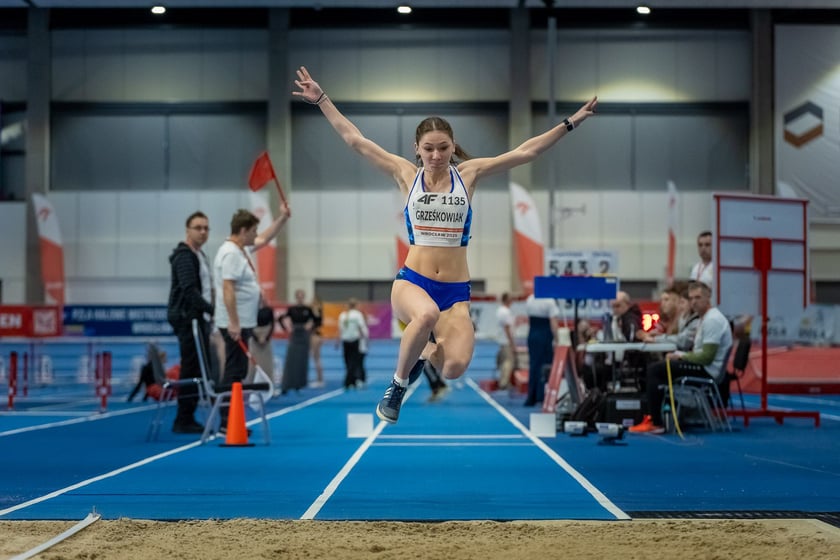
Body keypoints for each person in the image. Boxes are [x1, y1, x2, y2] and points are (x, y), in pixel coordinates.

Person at [293, 66, 597, 423]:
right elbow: (355, 140)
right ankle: (397, 386)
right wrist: (322, 100)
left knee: (453, 367)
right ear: (416, 149)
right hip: (413, 282)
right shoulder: (405, 174)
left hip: (455, 292)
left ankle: (426, 351)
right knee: (425, 315)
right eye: (428, 149)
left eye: (443, 148)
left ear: (453, 147)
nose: (436, 156)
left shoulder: (468, 174)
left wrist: (570, 123)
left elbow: (526, 152)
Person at [214, 204, 290, 430]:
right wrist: (234, 322)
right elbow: (228, 289)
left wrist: (282, 218)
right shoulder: (230, 254)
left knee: (238, 370)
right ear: (244, 230)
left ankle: (231, 420)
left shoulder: (241, 250)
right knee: (234, 370)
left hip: (244, 321)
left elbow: (264, 239)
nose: (256, 235)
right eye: (254, 230)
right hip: (235, 324)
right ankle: (227, 421)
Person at [631, 281, 733, 434]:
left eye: (698, 298)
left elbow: (706, 357)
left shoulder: (713, 320)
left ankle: (656, 422)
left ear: (708, 297)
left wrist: (680, 356)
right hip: (704, 367)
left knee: (656, 370)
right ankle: (663, 415)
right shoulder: (704, 318)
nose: (694, 302)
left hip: (707, 371)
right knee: (659, 367)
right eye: (691, 298)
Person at [166, 211, 215, 433]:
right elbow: (189, 291)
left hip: (198, 318)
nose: (203, 232)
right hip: (189, 319)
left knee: (196, 367)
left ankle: (187, 416)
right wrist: (212, 310)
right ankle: (183, 418)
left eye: (206, 228)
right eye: (198, 227)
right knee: (191, 368)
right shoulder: (185, 256)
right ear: (188, 230)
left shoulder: (200, 255)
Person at [524, 293, 560, 407]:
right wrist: (558, 339)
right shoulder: (549, 301)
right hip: (544, 335)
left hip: (532, 333)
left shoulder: (530, 299)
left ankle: (531, 396)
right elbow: (553, 323)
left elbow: (530, 319)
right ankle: (542, 396)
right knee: (545, 365)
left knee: (533, 365)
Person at [279, 289, 315, 394]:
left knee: (302, 361)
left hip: (304, 335)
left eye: (301, 296)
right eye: (298, 296)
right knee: (291, 359)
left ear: (303, 297)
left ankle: (299, 385)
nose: (300, 298)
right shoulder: (292, 309)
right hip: (295, 334)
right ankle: (286, 384)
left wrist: (310, 326)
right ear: (296, 297)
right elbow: (280, 318)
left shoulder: (308, 309)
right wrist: (286, 328)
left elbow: (316, 320)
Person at [338, 298, 369, 389]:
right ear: (355, 306)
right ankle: (349, 381)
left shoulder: (342, 315)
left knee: (347, 361)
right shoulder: (357, 315)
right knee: (354, 362)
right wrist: (366, 341)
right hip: (355, 340)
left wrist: (337, 342)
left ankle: (351, 380)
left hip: (345, 341)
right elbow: (361, 328)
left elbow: (340, 330)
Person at [247, 305, 276, 384]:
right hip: (255, 334)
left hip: (266, 334)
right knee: (253, 363)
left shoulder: (269, 310)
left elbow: (273, 324)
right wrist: (256, 338)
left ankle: (268, 383)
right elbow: (248, 323)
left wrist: (266, 338)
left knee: (267, 363)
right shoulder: (251, 308)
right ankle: (252, 383)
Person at [495, 292, 516, 390]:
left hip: (502, 339)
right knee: (509, 362)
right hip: (506, 340)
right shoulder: (505, 312)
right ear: (507, 300)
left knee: (504, 362)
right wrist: (511, 342)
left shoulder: (500, 310)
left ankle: (502, 381)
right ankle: (504, 382)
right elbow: (507, 328)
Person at [690, 231, 714, 296]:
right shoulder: (695, 267)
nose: (703, 248)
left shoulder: (717, 267)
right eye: (700, 245)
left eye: (707, 245)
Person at [309, 295, 325, 388]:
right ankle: (319, 379)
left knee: (316, 358)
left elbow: (315, 321)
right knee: (316, 358)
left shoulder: (316, 311)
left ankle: (320, 380)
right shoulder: (319, 310)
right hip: (317, 335)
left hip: (315, 336)